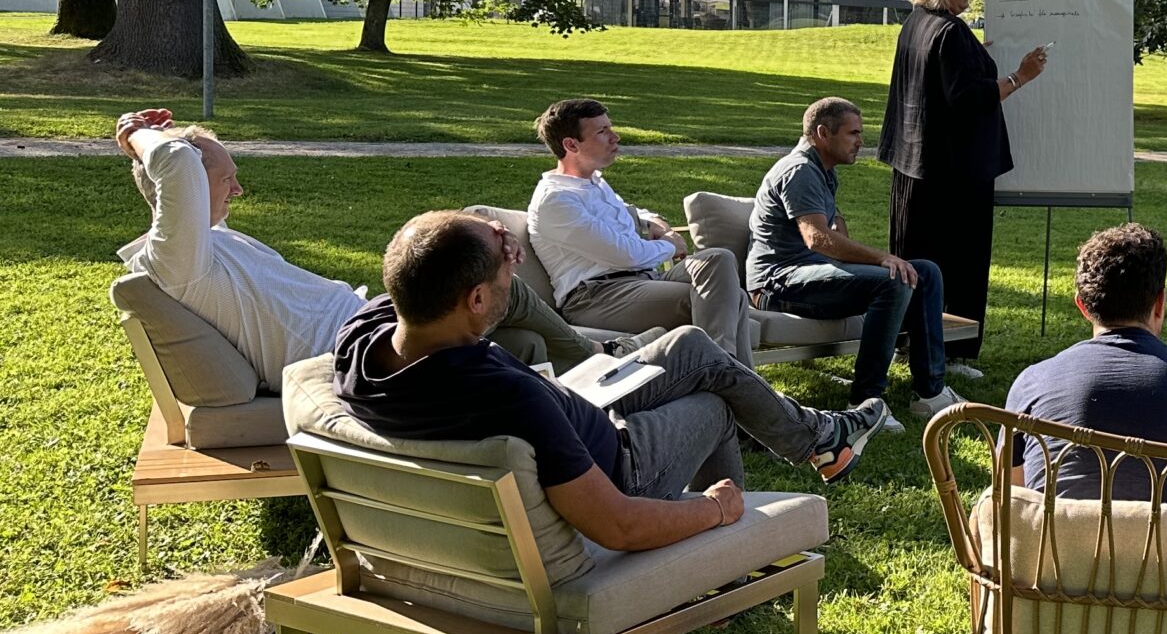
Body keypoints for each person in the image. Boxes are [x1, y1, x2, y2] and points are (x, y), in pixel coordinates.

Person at [333, 214, 890, 541]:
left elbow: (431, 259)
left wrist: (485, 239)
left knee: (691, 345)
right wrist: (714, 507)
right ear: (476, 300)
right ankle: (726, 560)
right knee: (715, 402)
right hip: (624, 463)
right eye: (506, 271)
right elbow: (617, 524)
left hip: (578, 409)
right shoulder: (509, 395)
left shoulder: (362, 337)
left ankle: (818, 438)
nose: (514, 269)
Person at [114, 108, 593, 387]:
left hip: (374, 320)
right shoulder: (178, 259)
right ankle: (600, 355)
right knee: (494, 281)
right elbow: (177, 161)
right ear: (190, 189)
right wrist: (133, 132)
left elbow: (181, 166)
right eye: (226, 180)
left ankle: (587, 377)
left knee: (522, 337)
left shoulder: (211, 240)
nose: (237, 190)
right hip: (360, 351)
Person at [878, 0, 1049, 376]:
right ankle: (950, 354)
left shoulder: (917, 23)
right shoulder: (950, 32)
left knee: (914, 260)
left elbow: (939, 76)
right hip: (955, 175)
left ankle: (907, 343)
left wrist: (973, 52)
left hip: (916, 166)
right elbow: (969, 99)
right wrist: (1021, 76)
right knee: (961, 265)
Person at [747, 97, 954, 423]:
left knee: (924, 271)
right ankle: (865, 401)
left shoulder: (822, 171)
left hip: (807, 272)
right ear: (823, 134)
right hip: (777, 283)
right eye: (853, 133)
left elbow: (831, 233)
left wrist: (862, 256)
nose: (861, 142)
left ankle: (930, 393)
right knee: (893, 281)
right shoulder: (800, 170)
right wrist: (881, 258)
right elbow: (817, 238)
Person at [1003, 224, 1167, 502]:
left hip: (1055, 531)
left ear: (1083, 306)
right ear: (1160, 303)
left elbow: (1009, 501)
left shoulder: (1032, 383)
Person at [526, 98, 751, 358]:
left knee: (718, 258)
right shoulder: (556, 200)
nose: (615, 137)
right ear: (571, 145)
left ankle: (727, 371)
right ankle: (723, 369)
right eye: (602, 132)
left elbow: (629, 212)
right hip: (596, 296)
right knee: (728, 299)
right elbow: (625, 254)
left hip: (641, 281)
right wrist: (669, 245)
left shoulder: (592, 183)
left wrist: (654, 222)